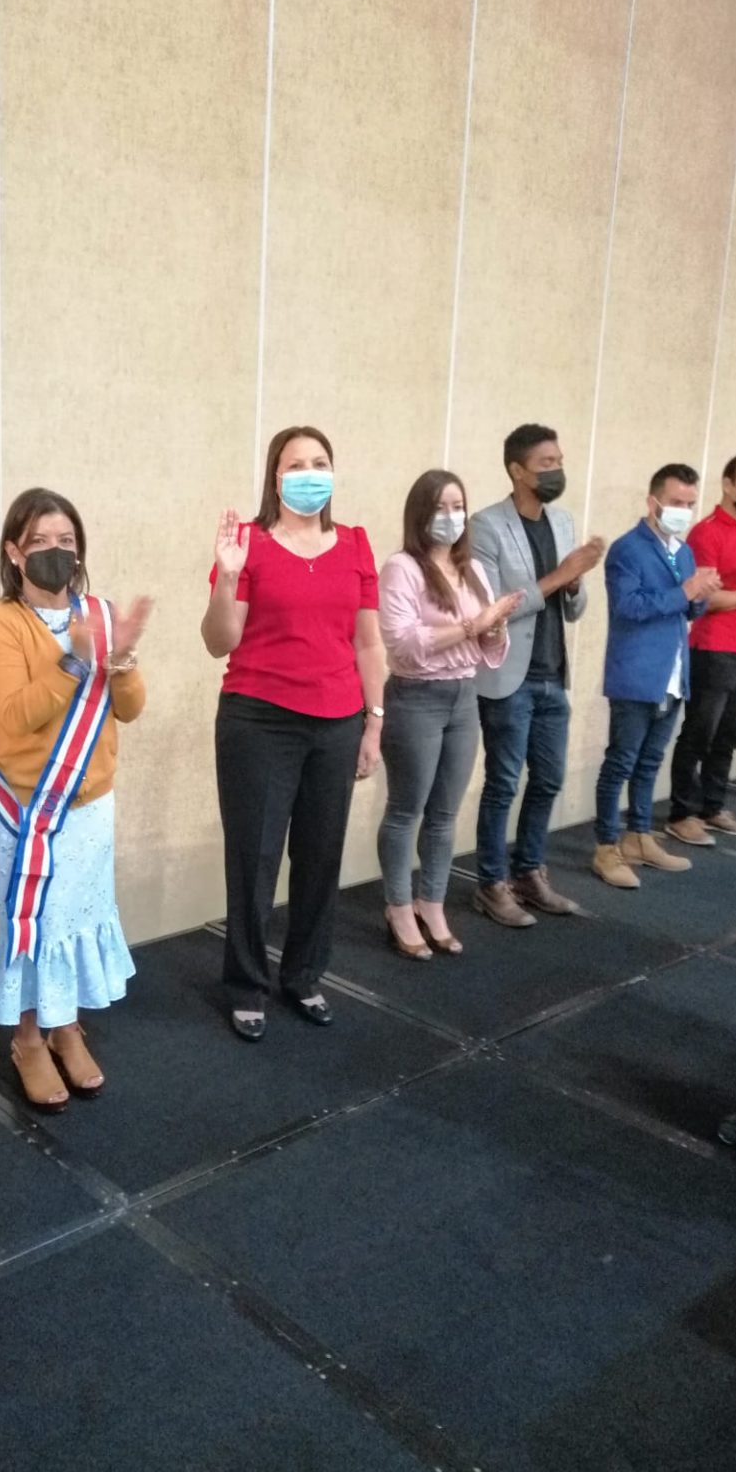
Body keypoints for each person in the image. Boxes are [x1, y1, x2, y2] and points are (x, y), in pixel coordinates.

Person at [0, 488, 150, 1111]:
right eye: (39, 541)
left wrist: (120, 658)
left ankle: (66, 1027)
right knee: (29, 924)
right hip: (25, 808)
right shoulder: (0, 623)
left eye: (66, 541)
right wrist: (74, 658)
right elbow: (16, 715)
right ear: (14, 553)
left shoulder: (98, 613)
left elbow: (131, 708)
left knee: (70, 923)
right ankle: (27, 1040)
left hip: (89, 806)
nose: (55, 552)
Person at [202, 426, 384, 1041]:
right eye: (295, 464)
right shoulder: (248, 545)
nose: (309, 473)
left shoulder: (355, 544)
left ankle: (304, 975)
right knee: (254, 859)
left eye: (320, 462)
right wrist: (228, 578)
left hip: (338, 721)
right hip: (258, 720)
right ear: (274, 477)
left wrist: (374, 721)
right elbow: (219, 641)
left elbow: (368, 643)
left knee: (321, 857)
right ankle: (246, 984)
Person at [376, 471, 521, 958]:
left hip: (464, 696)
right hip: (415, 696)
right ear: (420, 513)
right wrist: (473, 626)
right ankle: (399, 907)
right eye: (440, 507)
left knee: (444, 814)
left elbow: (488, 649)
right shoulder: (402, 567)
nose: (451, 517)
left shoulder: (472, 568)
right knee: (406, 810)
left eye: (458, 506)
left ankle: (432, 902)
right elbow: (402, 643)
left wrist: (494, 629)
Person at [469, 424, 605, 926]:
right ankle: (491, 883)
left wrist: (574, 584)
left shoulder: (563, 522)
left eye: (559, 461)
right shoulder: (486, 526)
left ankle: (529, 872)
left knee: (548, 780)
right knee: (503, 783)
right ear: (517, 470)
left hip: (553, 672)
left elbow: (575, 607)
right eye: (547, 463)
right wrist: (562, 575)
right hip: (509, 676)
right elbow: (492, 609)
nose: (557, 470)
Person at [592, 464, 721, 888]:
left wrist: (701, 593)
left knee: (649, 763)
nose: (683, 510)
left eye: (690, 503)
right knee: (621, 762)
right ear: (653, 502)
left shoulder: (683, 551)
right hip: (636, 674)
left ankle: (639, 836)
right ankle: (606, 846)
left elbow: (689, 609)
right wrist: (685, 591)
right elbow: (629, 607)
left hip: (673, 672)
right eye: (676, 502)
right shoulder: (627, 550)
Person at [666, 453, 736, 844]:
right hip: (713, 647)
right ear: (728, 485)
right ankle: (681, 812)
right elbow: (704, 598)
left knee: (729, 735)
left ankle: (712, 806)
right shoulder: (707, 533)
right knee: (699, 733)